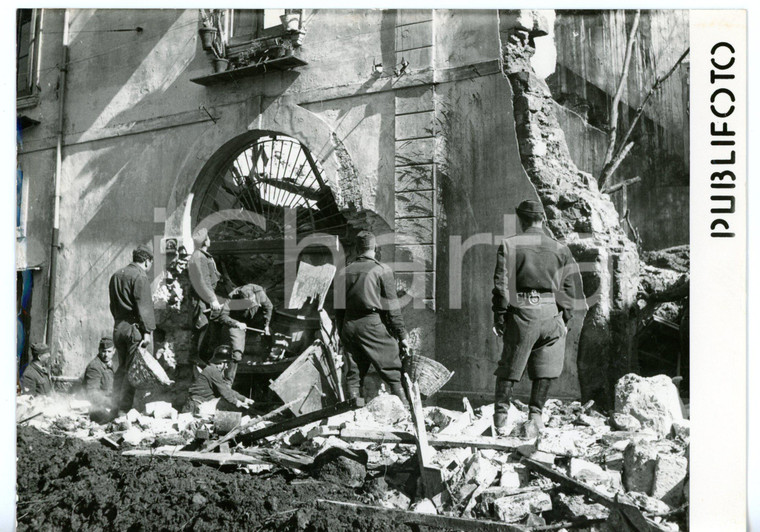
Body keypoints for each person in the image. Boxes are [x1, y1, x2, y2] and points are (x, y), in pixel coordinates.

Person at [492, 200, 586, 437]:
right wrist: (565, 318)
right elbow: (567, 287)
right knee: (545, 368)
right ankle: (536, 418)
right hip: (551, 313)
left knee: (510, 367)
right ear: (542, 219)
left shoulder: (510, 245)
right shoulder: (560, 248)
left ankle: (501, 420)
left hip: (523, 310)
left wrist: (500, 316)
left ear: (521, 220)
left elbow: (502, 286)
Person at [335, 231, 410, 407]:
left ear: (357, 249)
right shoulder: (382, 270)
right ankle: (406, 411)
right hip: (371, 324)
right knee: (392, 369)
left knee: (354, 375)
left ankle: (352, 413)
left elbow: (338, 309)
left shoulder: (343, 272)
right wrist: (402, 336)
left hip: (349, 325)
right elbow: (392, 308)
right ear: (375, 249)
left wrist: (342, 332)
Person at [187, 227, 246, 384]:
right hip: (201, 301)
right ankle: (199, 374)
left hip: (206, 300)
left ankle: (205, 371)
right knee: (201, 334)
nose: (210, 239)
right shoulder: (198, 257)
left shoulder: (203, 256)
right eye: (209, 237)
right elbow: (201, 282)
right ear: (206, 241)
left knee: (209, 336)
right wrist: (212, 299)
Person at [109, 244, 156, 413]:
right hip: (133, 330)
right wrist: (147, 332)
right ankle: (124, 410)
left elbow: (112, 305)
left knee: (121, 369)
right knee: (132, 371)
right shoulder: (140, 277)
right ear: (146, 261)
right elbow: (144, 308)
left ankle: (114, 408)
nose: (149, 267)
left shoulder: (116, 275)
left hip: (118, 328)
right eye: (150, 263)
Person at [184, 345, 254, 415]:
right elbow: (225, 393)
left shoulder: (211, 369)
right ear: (221, 363)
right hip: (197, 406)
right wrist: (237, 403)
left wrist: (244, 399)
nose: (226, 367)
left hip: (198, 404)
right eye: (226, 364)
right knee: (227, 405)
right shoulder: (213, 371)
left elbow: (227, 389)